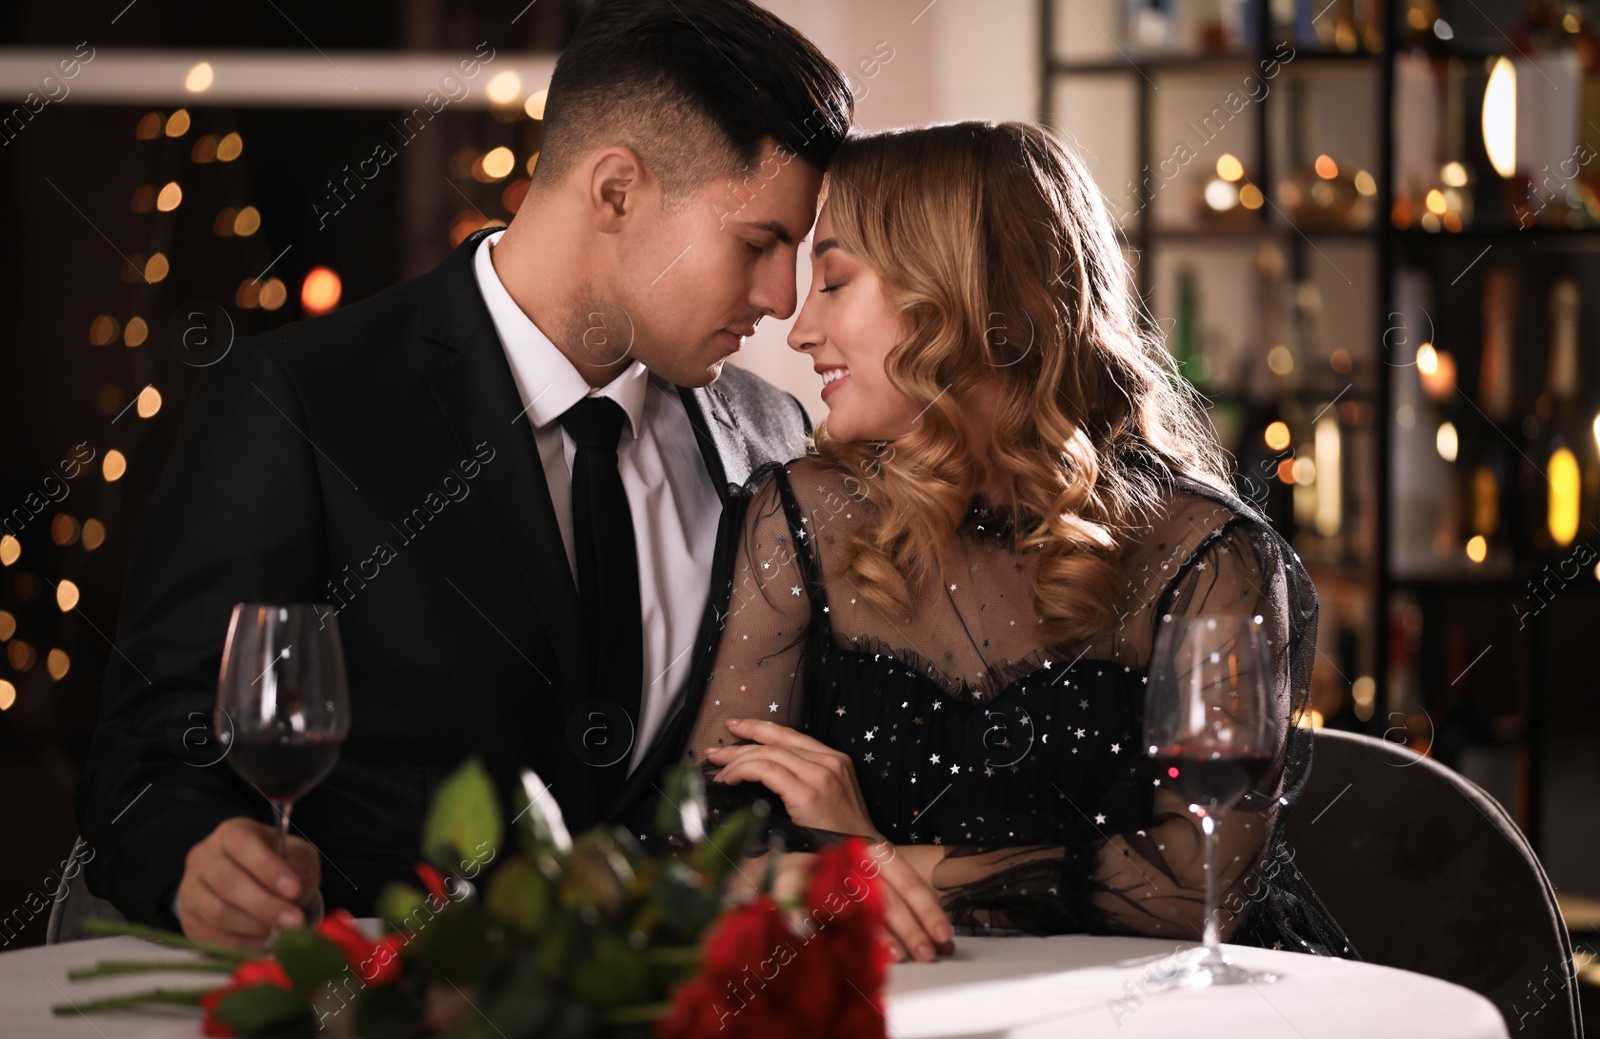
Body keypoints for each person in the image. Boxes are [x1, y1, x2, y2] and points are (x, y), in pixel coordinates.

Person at [75, 0, 853, 949]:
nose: (781, 301)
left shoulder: (771, 433)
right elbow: (153, 749)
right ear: (615, 191)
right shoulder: (300, 402)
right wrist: (197, 855)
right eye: (758, 243)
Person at [678, 121, 1360, 967]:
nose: (798, 329)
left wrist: (872, 858)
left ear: (961, 297)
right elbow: (706, 847)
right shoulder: (803, 517)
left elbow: (1197, 889)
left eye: (835, 282)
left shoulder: (1209, 553)